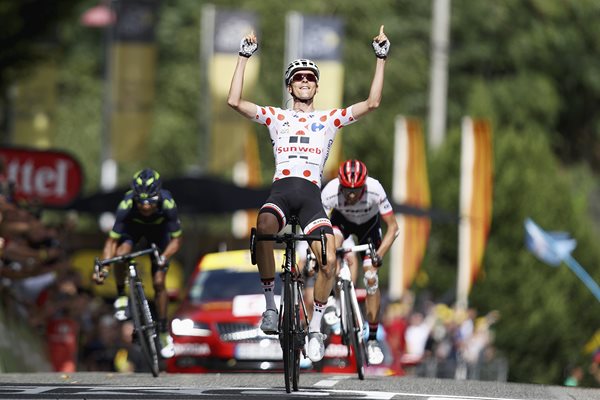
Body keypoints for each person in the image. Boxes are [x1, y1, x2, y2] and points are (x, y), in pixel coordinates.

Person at [227, 26, 390, 362]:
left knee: (329, 260)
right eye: (298, 78)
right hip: (282, 191)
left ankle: (315, 326)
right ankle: (271, 308)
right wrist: (243, 56)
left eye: (310, 79)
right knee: (265, 225)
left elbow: (373, 103)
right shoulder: (276, 116)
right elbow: (234, 101)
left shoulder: (328, 120)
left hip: (312, 196)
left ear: (316, 86)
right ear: (290, 86)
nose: (304, 82)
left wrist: (381, 58)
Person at [92, 168, 182, 359]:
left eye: (149, 201)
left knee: (159, 282)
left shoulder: (168, 203)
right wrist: (105, 268)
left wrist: (164, 257)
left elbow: (176, 240)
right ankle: (122, 296)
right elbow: (111, 241)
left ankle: (164, 332)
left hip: (160, 236)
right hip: (133, 231)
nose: (145, 207)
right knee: (120, 253)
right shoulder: (126, 204)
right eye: (140, 201)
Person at [321, 159, 399, 365]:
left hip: (369, 230)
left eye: (357, 190)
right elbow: (317, 226)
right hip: (341, 225)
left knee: (371, 277)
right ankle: (332, 300)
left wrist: (379, 255)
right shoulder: (330, 191)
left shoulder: (375, 189)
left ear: (365, 185)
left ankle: (372, 339)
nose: (353, 195)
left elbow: (393, 228)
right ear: (340, 185)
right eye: (347, 190)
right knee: (331, 250)